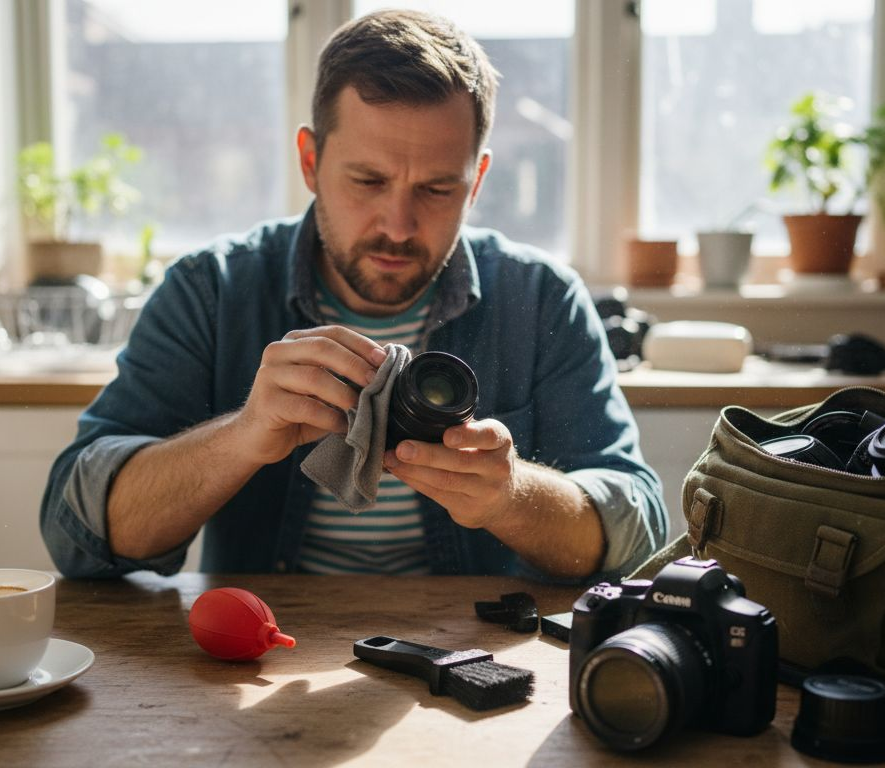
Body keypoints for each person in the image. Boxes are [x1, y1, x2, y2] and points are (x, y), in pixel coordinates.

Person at [40, 9, 666, 582]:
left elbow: (637, 534)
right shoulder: (212, 292)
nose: (397, 225)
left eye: (437, 190)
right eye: (368, 180)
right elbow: (76, 531)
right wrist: (241, 436)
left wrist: (511, 497)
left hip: (478, 658)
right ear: (310, 160)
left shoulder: (541, 300)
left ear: (476, 181)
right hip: (262, 658)